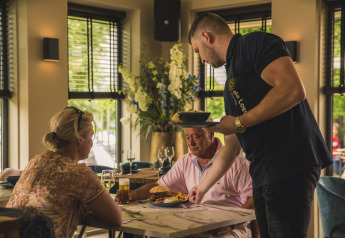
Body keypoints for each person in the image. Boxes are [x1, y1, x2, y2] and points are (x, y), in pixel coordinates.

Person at [187, 12, 332, 238]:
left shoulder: (254, 43)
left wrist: (237, 122)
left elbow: (292, 90)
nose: (202, 60)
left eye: (198, 51)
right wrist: (202, 187)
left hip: (289, 162)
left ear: (206, 36)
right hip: (263, 170)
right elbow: (232, 147)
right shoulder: (230, 83)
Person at [118, 127, 256, 238]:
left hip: (233, 228)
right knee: (154, 234)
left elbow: (254, 200)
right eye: (187, 137)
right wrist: (132, 195)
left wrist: (230, 224)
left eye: (196, 136)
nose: (190, 143)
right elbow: (159, 186)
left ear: (211, 134)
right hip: (196, 224)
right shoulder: (186, 161)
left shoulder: (236, 162)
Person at [6, 107, 122, 237]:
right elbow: (115, 218)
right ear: (80, 138)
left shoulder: (35, 162)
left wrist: (80, 213)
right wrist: (85, 215)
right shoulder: (79, 173)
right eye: (91, 136)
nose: (92, 143)